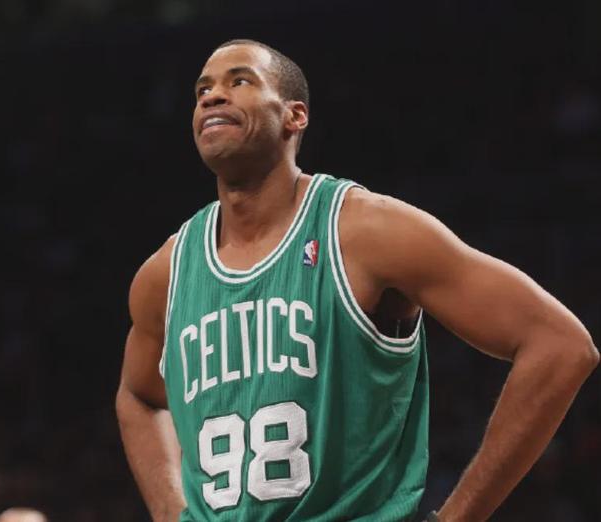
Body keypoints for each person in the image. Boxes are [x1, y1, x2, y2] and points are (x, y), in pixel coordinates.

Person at [115, 39, 598, 521]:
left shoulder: (366, 231)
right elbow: (138, 396)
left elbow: (560, 345)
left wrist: (456, 518)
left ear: (294, 116)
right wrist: (170, 512)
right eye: (202, 90)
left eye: (239, 81)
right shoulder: (167, 272)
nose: (212, 96)